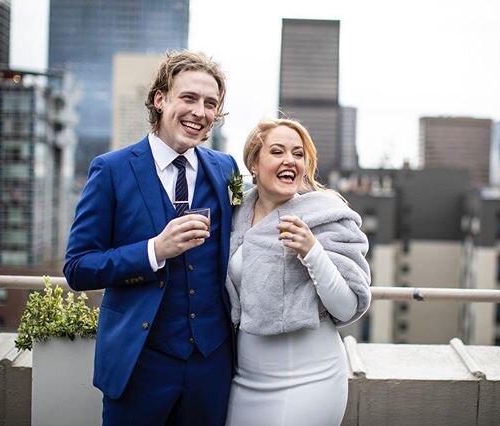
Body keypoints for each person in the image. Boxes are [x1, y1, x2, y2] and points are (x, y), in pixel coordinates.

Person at [64, 50, 239, 425]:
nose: (200, 111)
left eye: (210, 103)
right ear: (160, 99)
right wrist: (154, 250)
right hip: (139, 364)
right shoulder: (111, 170)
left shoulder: (225, 170)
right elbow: (77, 267)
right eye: (189, 98)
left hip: (211, 367)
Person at [224, 118, 372, 426]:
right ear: (254, 162)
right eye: (277, 152)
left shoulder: (326, 215)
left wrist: (311, 251)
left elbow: (347, 307)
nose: (289, 160)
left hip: (310, 379)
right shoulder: (234, 215)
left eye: (298, 154)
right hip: (245, 378)